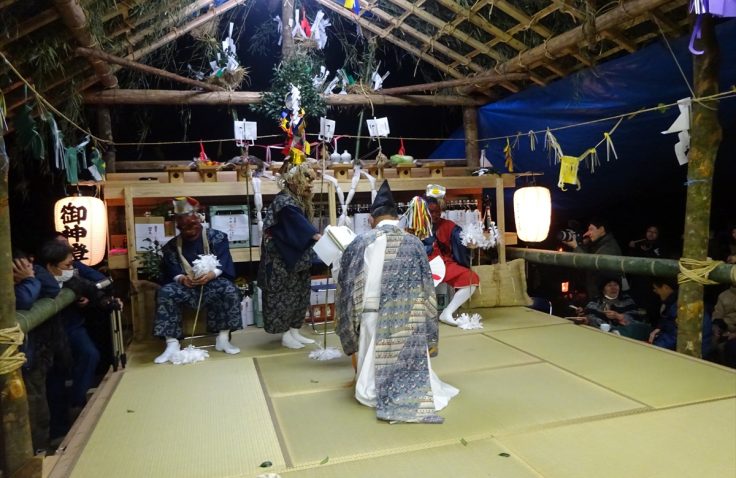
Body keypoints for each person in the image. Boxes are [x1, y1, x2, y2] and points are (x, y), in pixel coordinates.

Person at [336, 181, 458, 423]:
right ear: (396, 218)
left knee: (369, 390)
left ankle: (376, 389)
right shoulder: (414, 243)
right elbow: (427, 290)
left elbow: (347, 288)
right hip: (409, 319)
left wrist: (349, 327)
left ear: (371, 219)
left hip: (372, 316)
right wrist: (428, 330)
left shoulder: (360, 242)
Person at [153, 197, 242, 364]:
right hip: (187, 287)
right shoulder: (172, 246)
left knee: (229, 289)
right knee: (165, 292)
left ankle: (223, 338)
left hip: (211, 283)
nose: (189, 230)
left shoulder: (217, 237)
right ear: (178, 226)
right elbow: (172, 268)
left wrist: (211, 275)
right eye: (184, 227)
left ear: (199, 221)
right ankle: (172, 343)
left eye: (192, 225)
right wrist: (181, 278)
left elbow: (223, 261)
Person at [258, 163, 321, 349]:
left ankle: (294, 331)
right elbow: (298, 224)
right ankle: (285, 335)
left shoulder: (298, 199)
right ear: (292, 181)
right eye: (305, 180)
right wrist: (316, 236)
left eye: (311, 181)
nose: (309, 185)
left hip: (297, 255)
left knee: (300, 293)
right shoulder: (284, 202)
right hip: (281, 258)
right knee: (284, 295)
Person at [423, 196, 478, 326]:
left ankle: (447, 312)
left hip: (444, 263)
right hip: (422, 265)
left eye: (438, 211)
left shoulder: (448, 225)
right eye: (431, 212)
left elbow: (461, 238)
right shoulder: (415, 225)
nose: (435, 215)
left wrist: (469, 240)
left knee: (471, 279)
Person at [562, 217, 622, 301]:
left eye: (591, 229)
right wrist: (582, 243)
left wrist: (575, 246)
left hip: (606, 295)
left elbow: (589, 264)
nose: (587, 233)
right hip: (598, 293)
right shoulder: (599, 244)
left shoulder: (609, 248)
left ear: (601, 229)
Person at [579, 276, 648, 339]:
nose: (613, 288)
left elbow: (636, 319)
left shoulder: (626, 300)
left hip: (624, 336)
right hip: (600, 335)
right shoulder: (596, 301)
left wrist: (619, 316)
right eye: (609, 285)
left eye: (616, 285)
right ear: (603, 290)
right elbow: (589, 316)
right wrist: (583, 313)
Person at [650, 278, 678, 350]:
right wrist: (659, 328)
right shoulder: (669, 303)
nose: (654, 291)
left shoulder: (677, 306)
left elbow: (674, 335)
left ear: (666, 287)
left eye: (656, 288)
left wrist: (655, 346)